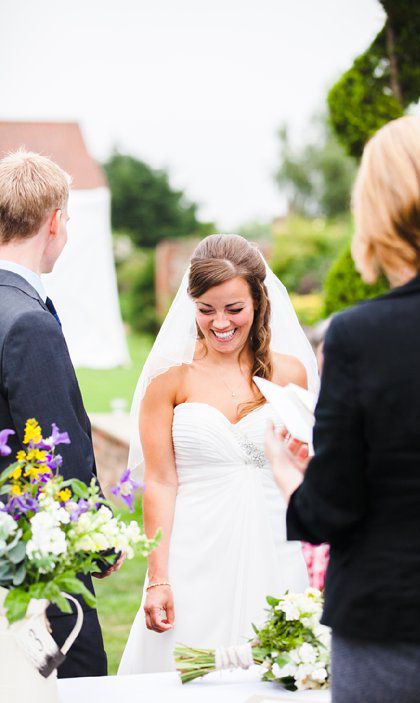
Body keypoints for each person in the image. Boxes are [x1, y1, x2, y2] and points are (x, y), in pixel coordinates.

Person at [264, 115, 420, 703]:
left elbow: (332, 510)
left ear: (377, 207)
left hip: (397, 631)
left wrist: (288, 471)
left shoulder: (363, 333)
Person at [118, 234, 316, 674]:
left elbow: (307, 470)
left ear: (259, 303)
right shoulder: (170, 380)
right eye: (206, 309)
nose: (220, 323)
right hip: (193, 551)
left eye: (234, 308)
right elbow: (161, 481)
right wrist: (159, 577)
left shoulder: (290, 373)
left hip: (275, 546)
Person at [0, 150, 122, 677]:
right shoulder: (28, 321)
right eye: (68, 218)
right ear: (54, 222)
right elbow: (57, 449)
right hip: (35, 570)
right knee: (69, 681)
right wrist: (97, 539)